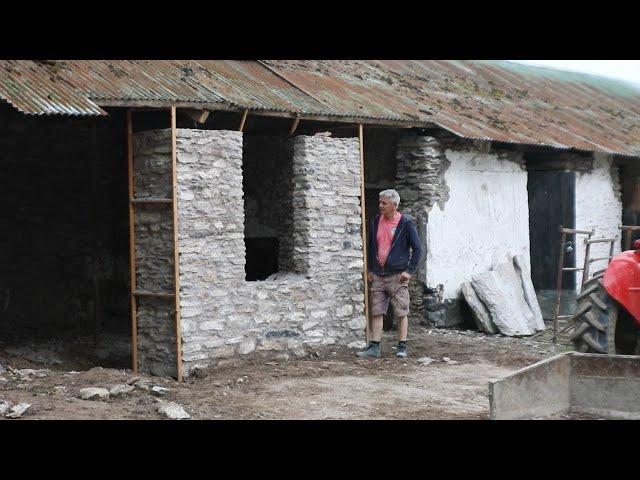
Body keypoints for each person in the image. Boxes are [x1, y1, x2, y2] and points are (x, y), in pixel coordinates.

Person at [357, 189, 423, 359]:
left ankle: (402, 346)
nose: (380, 206)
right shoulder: (376, 221)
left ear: (394, 205)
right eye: (380, 202)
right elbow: (371, 247)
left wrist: (409, 271)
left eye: (384, 203)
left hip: (397, 275)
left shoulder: (405, 224)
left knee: (401, 311)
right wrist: (371, 269)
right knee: (377, 311)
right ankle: (374, 347)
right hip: (379, 274)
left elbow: (417, 249)